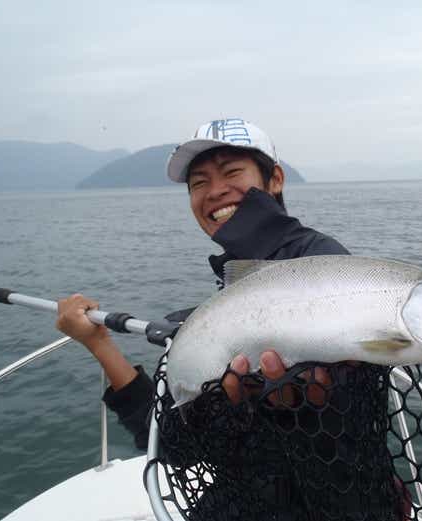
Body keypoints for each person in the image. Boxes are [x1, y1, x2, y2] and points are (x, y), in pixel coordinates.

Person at [56, 119, 400, 520]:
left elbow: (346, 401)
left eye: (232, 172)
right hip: (251, 497)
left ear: (275, 179)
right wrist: (98, 343)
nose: (214, 191)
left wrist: (305, 405)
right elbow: (175, 444)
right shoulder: (237, 281)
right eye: (198, 183)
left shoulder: (320, 264)